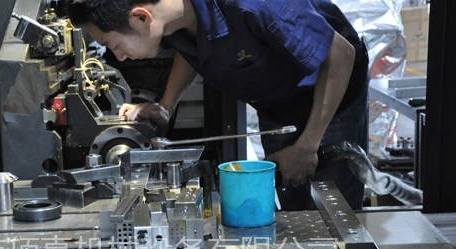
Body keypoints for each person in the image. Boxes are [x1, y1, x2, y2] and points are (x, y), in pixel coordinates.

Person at [68, 0, 370, 210]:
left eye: (113, 45)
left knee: (334, 207)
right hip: (277, 102)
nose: (118, 57)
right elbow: (193, 49)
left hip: (331, 91)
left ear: (141, 17)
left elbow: (340, 55)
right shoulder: (175, 19)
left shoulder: (253, 5)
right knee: (293, 198)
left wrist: (307, 145)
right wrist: (166, 106)